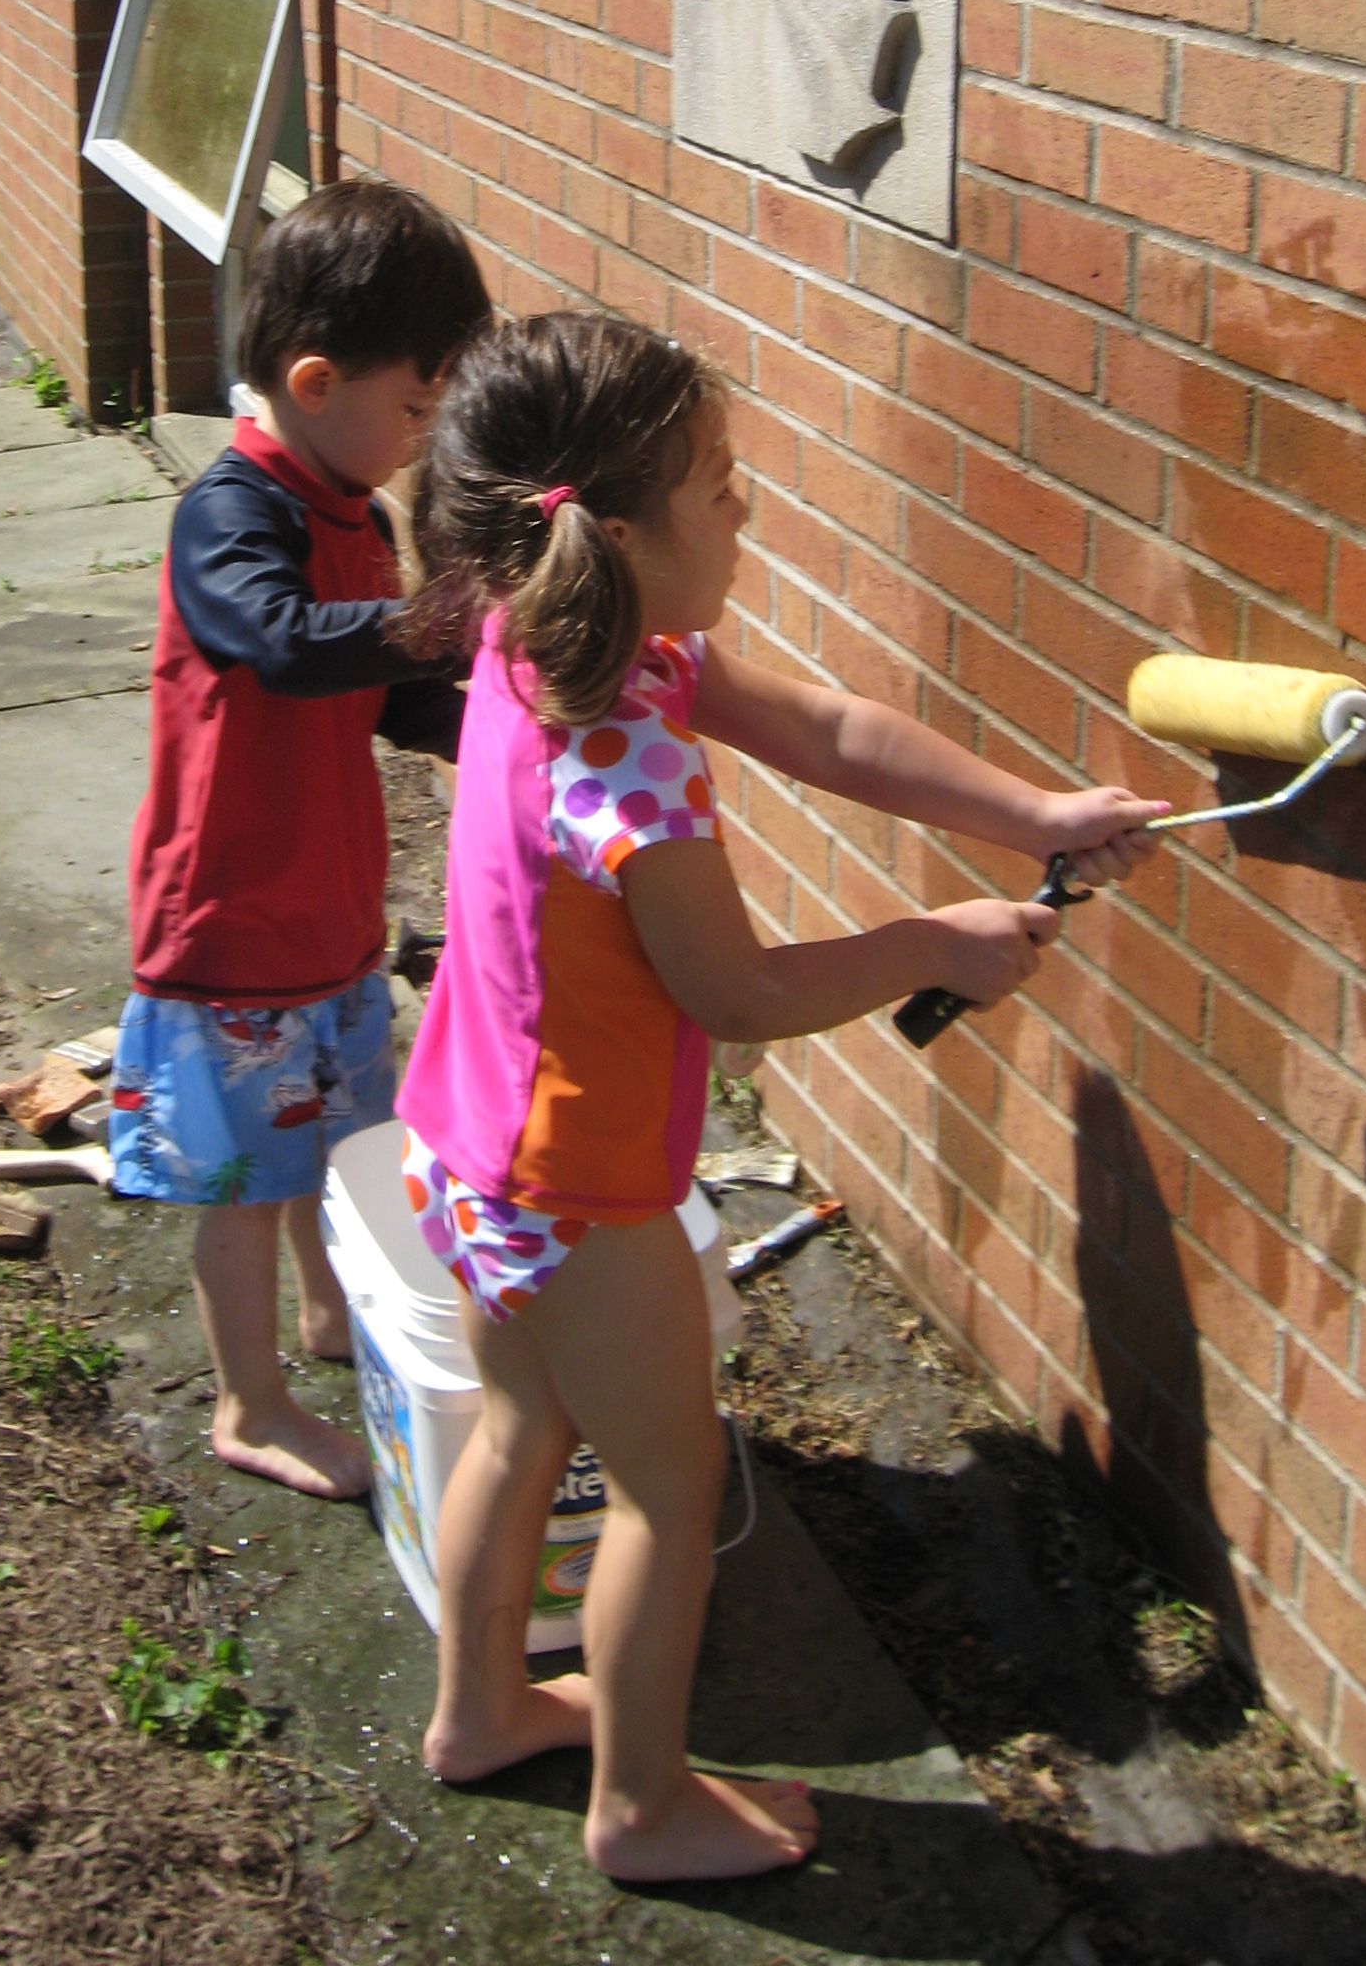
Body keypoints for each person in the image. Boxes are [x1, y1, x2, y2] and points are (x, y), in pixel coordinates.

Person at [396, 313, 1167, 1881]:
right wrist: (931, 945)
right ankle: (641, 1808)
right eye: (720, 481)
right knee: (671, 1491)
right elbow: (736, 995)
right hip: (577, 1181)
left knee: (520, 1427)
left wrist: (1036, 811)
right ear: (620, 535)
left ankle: (479, 1712)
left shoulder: (547, 647)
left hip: (470, 1140)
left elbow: (829, 730)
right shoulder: (626, 764)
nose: (746, 503)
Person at [111, 181, 490, 1501]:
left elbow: (378, 694)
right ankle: (250, 1403)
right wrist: (445, 619)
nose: (424, 439)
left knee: (335, 1142)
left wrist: (498, 724)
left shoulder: (355, 512)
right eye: (419, 410)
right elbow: (275, 643)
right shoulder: (231, 515)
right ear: (317, 382)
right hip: (227, 922)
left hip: (329, 917)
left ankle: (333, 1313)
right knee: (241, 1182)